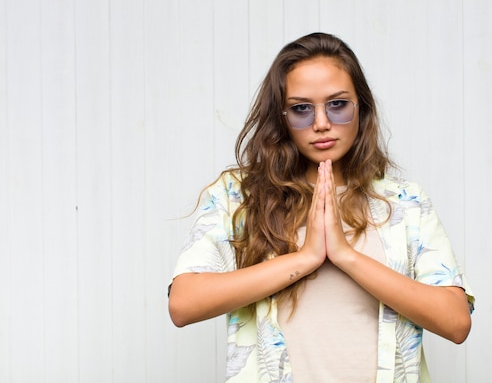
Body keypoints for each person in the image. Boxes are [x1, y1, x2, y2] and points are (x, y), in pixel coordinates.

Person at [168, 32, 475, 383]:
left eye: (337, 104)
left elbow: (455, 322)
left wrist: (346, 256)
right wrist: (305, 258)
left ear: (362, 106)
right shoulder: (239, 197)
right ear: (281, 117)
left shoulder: (403, 202)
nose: (321, 123)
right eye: (301, 109)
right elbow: (183, 304)